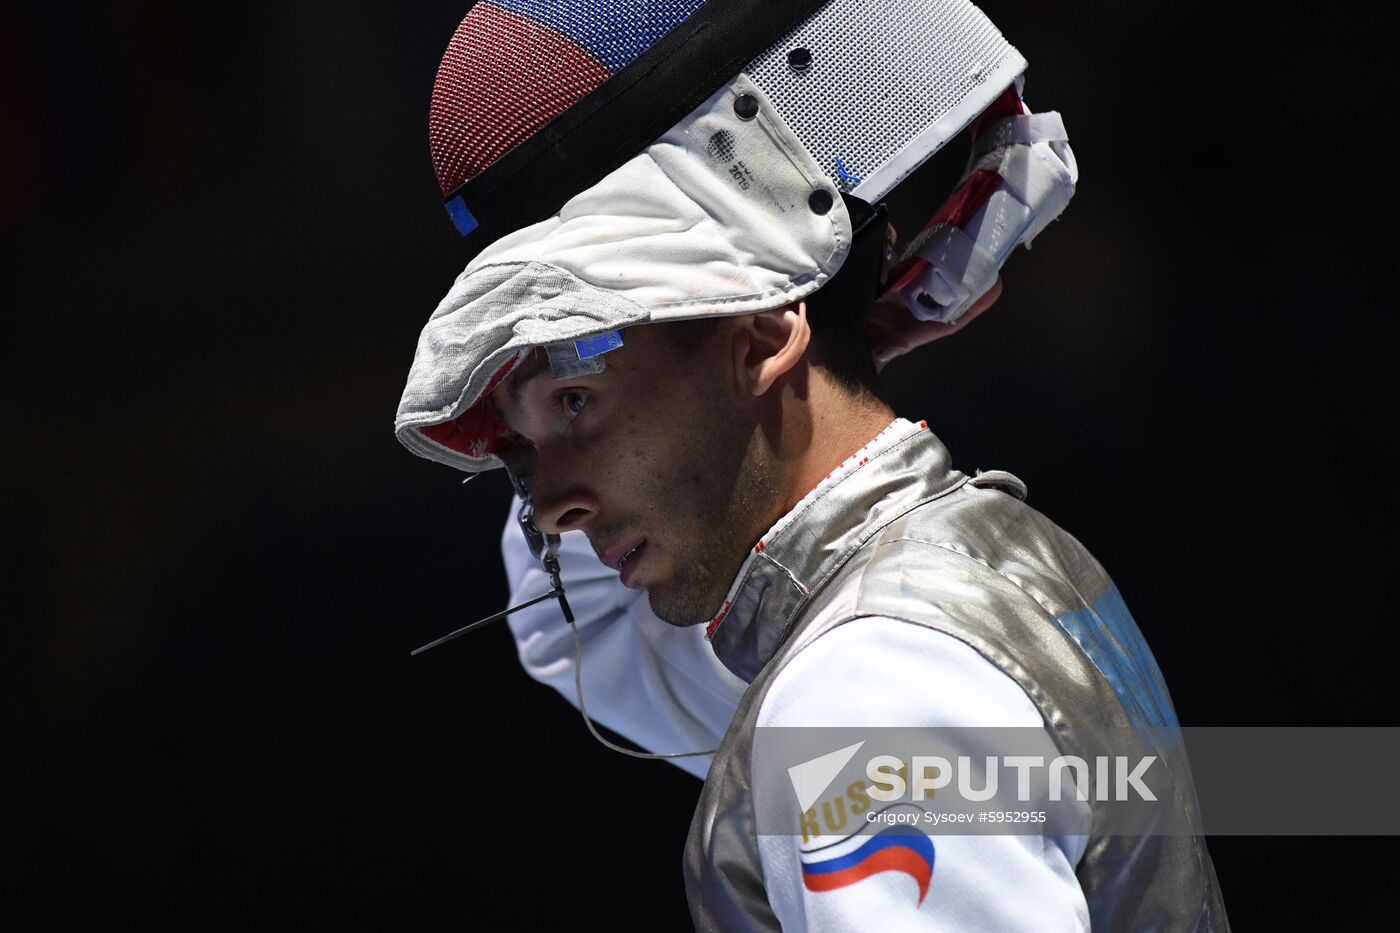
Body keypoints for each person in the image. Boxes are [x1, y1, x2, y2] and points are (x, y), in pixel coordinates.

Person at [395, 1, 1229, 929]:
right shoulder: (976, 564)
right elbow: (579, 638)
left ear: (761, 334)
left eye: (576, 403)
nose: (547, 509)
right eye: (519, 450)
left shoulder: (867, 686)